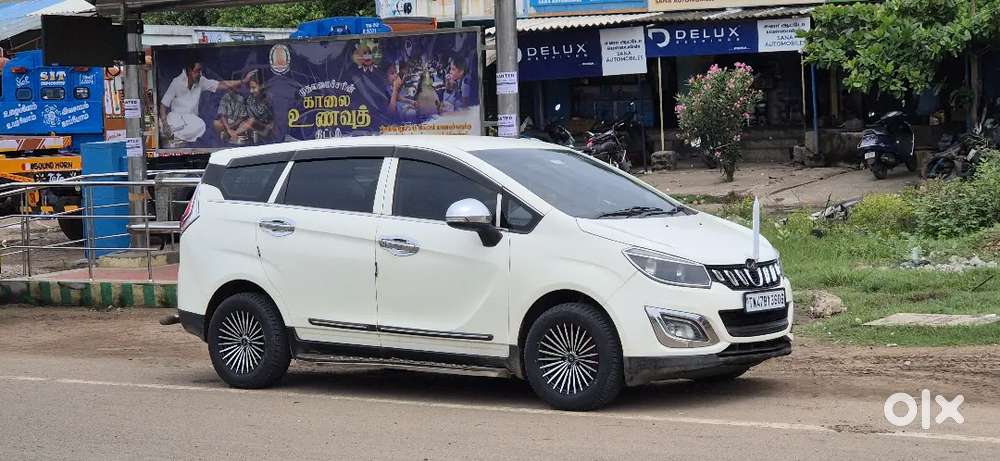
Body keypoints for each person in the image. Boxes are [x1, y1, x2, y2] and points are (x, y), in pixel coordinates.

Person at [159, 58, 253, 145]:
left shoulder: (201, 81)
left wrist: (243, 81)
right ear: (189, 71)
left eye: (201, 71)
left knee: (200, 125)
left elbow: (221, 84)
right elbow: (163, 105)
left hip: (192, 121)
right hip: (176, 119)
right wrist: (165, 123)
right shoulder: (176, 82)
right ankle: (172, 134)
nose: (200, 74)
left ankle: (175, 137)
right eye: (197, 71)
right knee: (167, 124)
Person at [233, 71, 274, 145]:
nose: (251, 91)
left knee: (251, 120)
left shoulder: (271, 100)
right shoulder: (250, 99)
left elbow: (274, 123)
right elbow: (243, 117)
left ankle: (233, 136)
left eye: (254, 88)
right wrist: (230, 127)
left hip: (267, 132)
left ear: (262, 86)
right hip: (252, 131)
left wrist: (265, 129)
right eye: (250, 88)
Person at [213, 73, 248, 145]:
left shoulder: (241, 99)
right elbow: (222, 115)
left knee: (246, 124)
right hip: (227, 124)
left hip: (237, 124)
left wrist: (231, 127)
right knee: (216, 123)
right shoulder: (224, 98)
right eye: (229, 88)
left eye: (233, 87)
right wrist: (228, 128)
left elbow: (242, 117)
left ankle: (232, 135)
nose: (230, 89)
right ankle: (231, 135)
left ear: (238, 87)